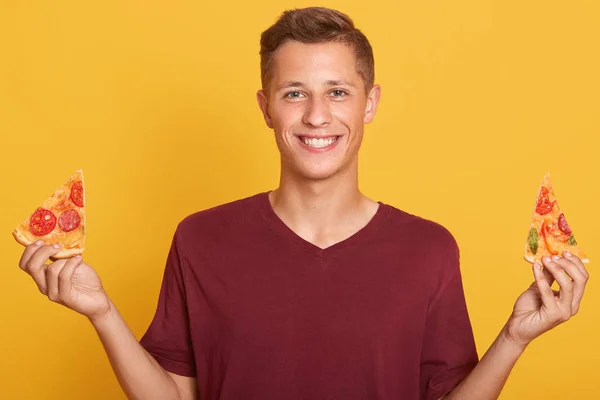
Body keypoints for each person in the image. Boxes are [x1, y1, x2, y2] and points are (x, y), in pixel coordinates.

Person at [17, 6, 589, 400]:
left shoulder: (428, 249)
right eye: (296, 93)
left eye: (338, 92)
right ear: (266, 107)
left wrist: (515, 336)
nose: (318, 116)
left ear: (370, 103)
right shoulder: (200, 239)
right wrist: (101, 312)